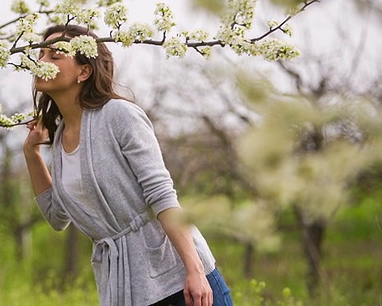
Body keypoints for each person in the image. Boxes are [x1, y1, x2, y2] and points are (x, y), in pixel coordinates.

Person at [22, 24, 234, 306]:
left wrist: (194, 271)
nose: (42, 62)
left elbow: (162, 195)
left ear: (84, 72)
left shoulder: (119, 115)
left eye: (55, 56)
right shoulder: (60, 139)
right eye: (42, 54)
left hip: (178, 282)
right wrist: (31, 154)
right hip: (124, 291)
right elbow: (57, 217)